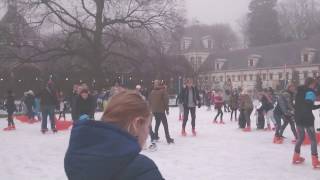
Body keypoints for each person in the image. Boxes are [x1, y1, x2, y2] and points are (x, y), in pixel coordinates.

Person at [64, 90, 164, 180]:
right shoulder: (142, 169)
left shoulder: (79, 161)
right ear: (136, 124)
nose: (147, 132)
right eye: (148, 126)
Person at [293, 77, 320, 168]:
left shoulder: (299, 91)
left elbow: (299, 105)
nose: (315, 86)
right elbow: (309, 106)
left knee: (300, 137)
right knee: (313, 139)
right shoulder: (310, 92)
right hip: (307, 119)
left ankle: (295, 157)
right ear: (311, 84)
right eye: (314, 84)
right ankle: (315, 160)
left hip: (298, 118)